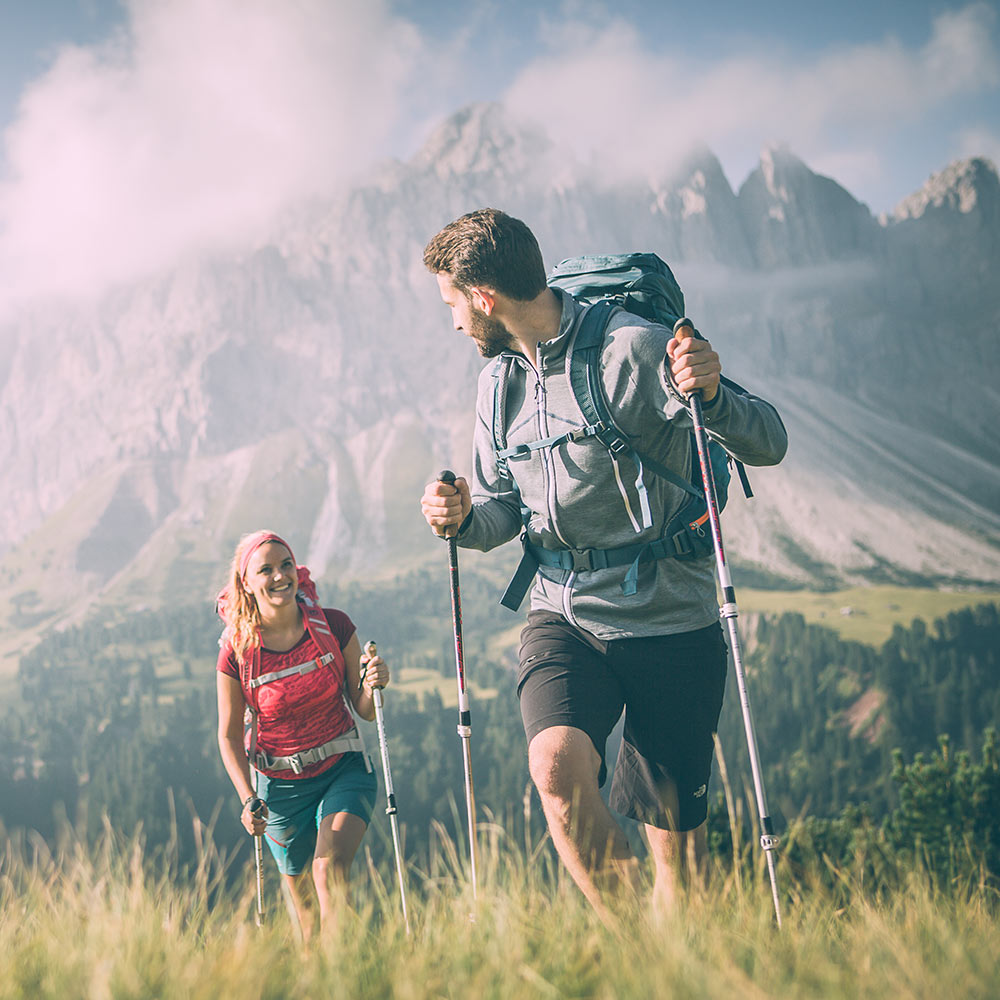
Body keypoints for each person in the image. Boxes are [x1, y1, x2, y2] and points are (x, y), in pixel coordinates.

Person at [419, 208, 787, 920]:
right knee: (554, 767)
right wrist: (463, 521)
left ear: (485, 298)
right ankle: (634, 958)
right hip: (564, 613)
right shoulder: (498, 384)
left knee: (678, 865)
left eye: (452, 305)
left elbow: (767, 441)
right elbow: (499, 513)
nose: (454, 323)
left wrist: (710, 393)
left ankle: (678, 960)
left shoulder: (637, 349)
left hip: (670, 617)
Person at [216, 529, 389, 940]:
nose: (279, 576)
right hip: (278, 789)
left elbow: (363, 710)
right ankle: (324, 976)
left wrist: (371, 684)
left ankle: (348, 974)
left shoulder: (334, 625)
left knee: (329, 870)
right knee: (308, 919)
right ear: (246, 583)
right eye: (266, 570)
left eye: (286, 565)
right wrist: (247, 799)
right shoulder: (237, 651)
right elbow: (226, 735)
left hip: (344, 767)